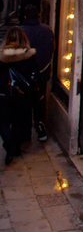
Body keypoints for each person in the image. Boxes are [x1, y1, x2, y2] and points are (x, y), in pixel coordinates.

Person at [0, 26, 38, 164]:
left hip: (3, 94)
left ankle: (8, 142)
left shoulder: (2, 57)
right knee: (18, 121)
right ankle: (15, 145)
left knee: (3, 122)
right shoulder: (29, 56)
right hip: (21, 95)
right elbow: (35, 75)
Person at [21, 4, 55, 142]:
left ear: (24, 17)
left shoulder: (20, 32)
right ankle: (40, 126)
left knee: (25, 101)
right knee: (40, 99)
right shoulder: (47, 31)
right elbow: (52, 48)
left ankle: (26, 132)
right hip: (42, 72)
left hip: (24, 74)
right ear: (38, 15)